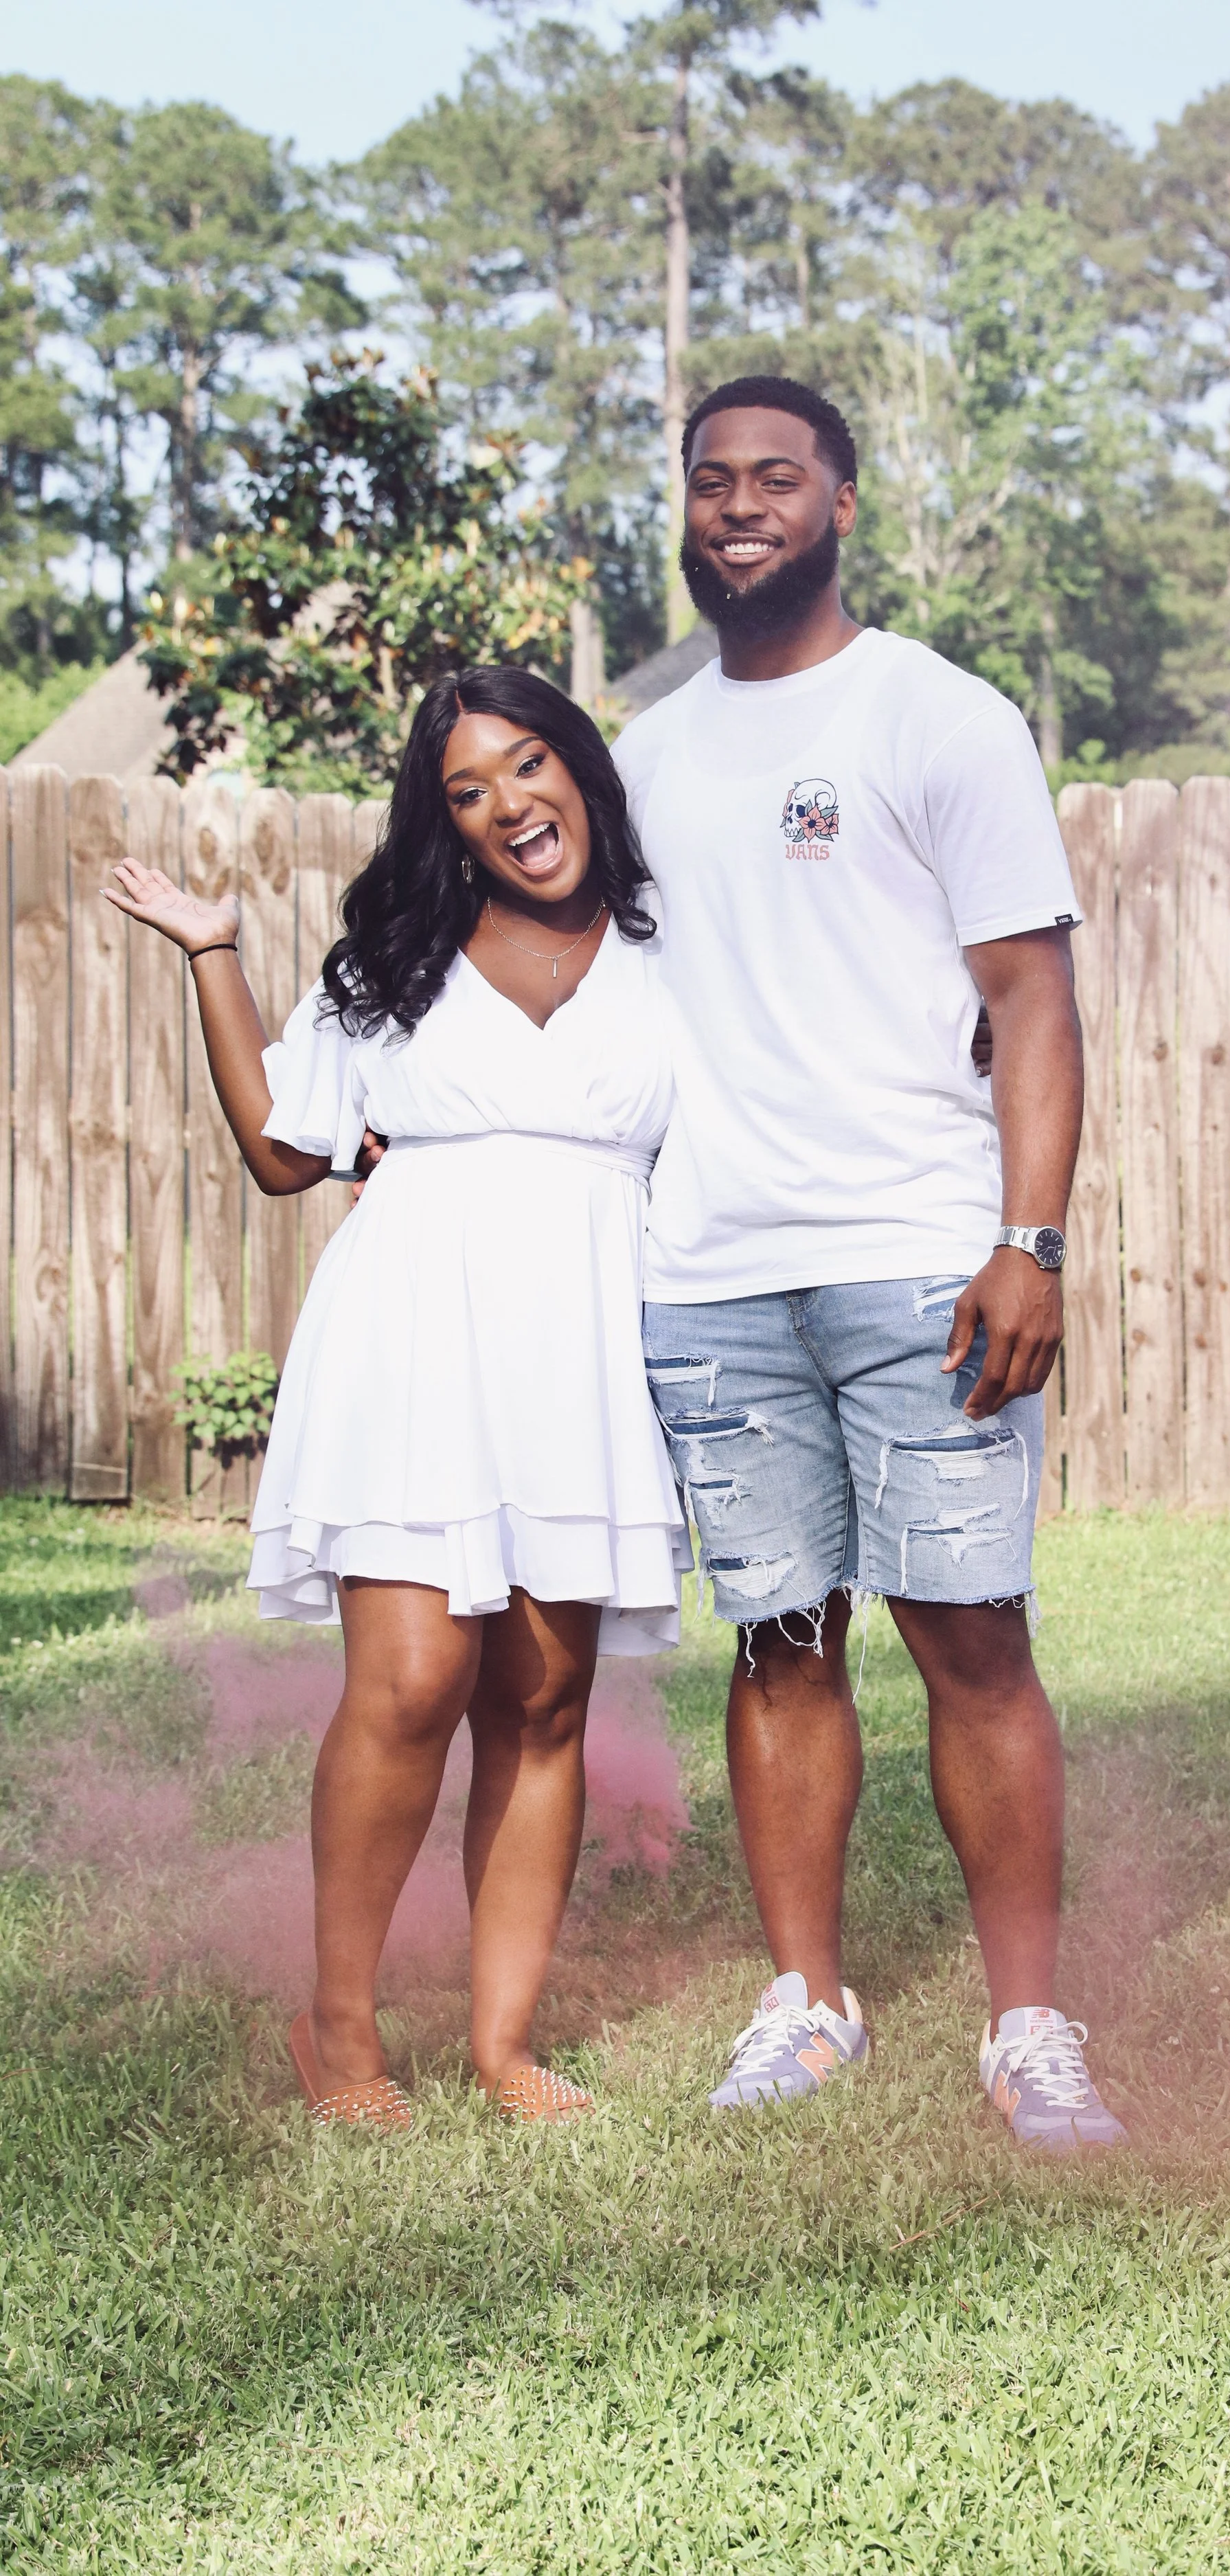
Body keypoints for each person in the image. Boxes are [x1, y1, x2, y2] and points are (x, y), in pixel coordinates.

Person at [616, 374, 1127, 2151]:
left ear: (839, 502)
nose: (735, 505)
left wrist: (1027, 1237)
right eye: (707, 481)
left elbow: (1028, 997)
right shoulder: (644, 752)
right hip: (709, 1270)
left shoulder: (937, 714)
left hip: (920, 1259)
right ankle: (807, 1997)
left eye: (773, 477)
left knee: (971, 1641)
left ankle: (1026, 2022)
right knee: (776, 1642)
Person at [104, 668, 689, 2133]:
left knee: (543, 1695)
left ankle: (502, 2049)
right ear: (446, 825)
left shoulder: (672, 942)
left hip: (585, 1338)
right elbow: (285, 1153)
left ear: (580, 770)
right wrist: (216, 953)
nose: (507, 805)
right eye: (467, 791)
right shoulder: (400, 954)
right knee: (416, 1679)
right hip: (419, 1330)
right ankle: (341, 2030)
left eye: (528, 765)